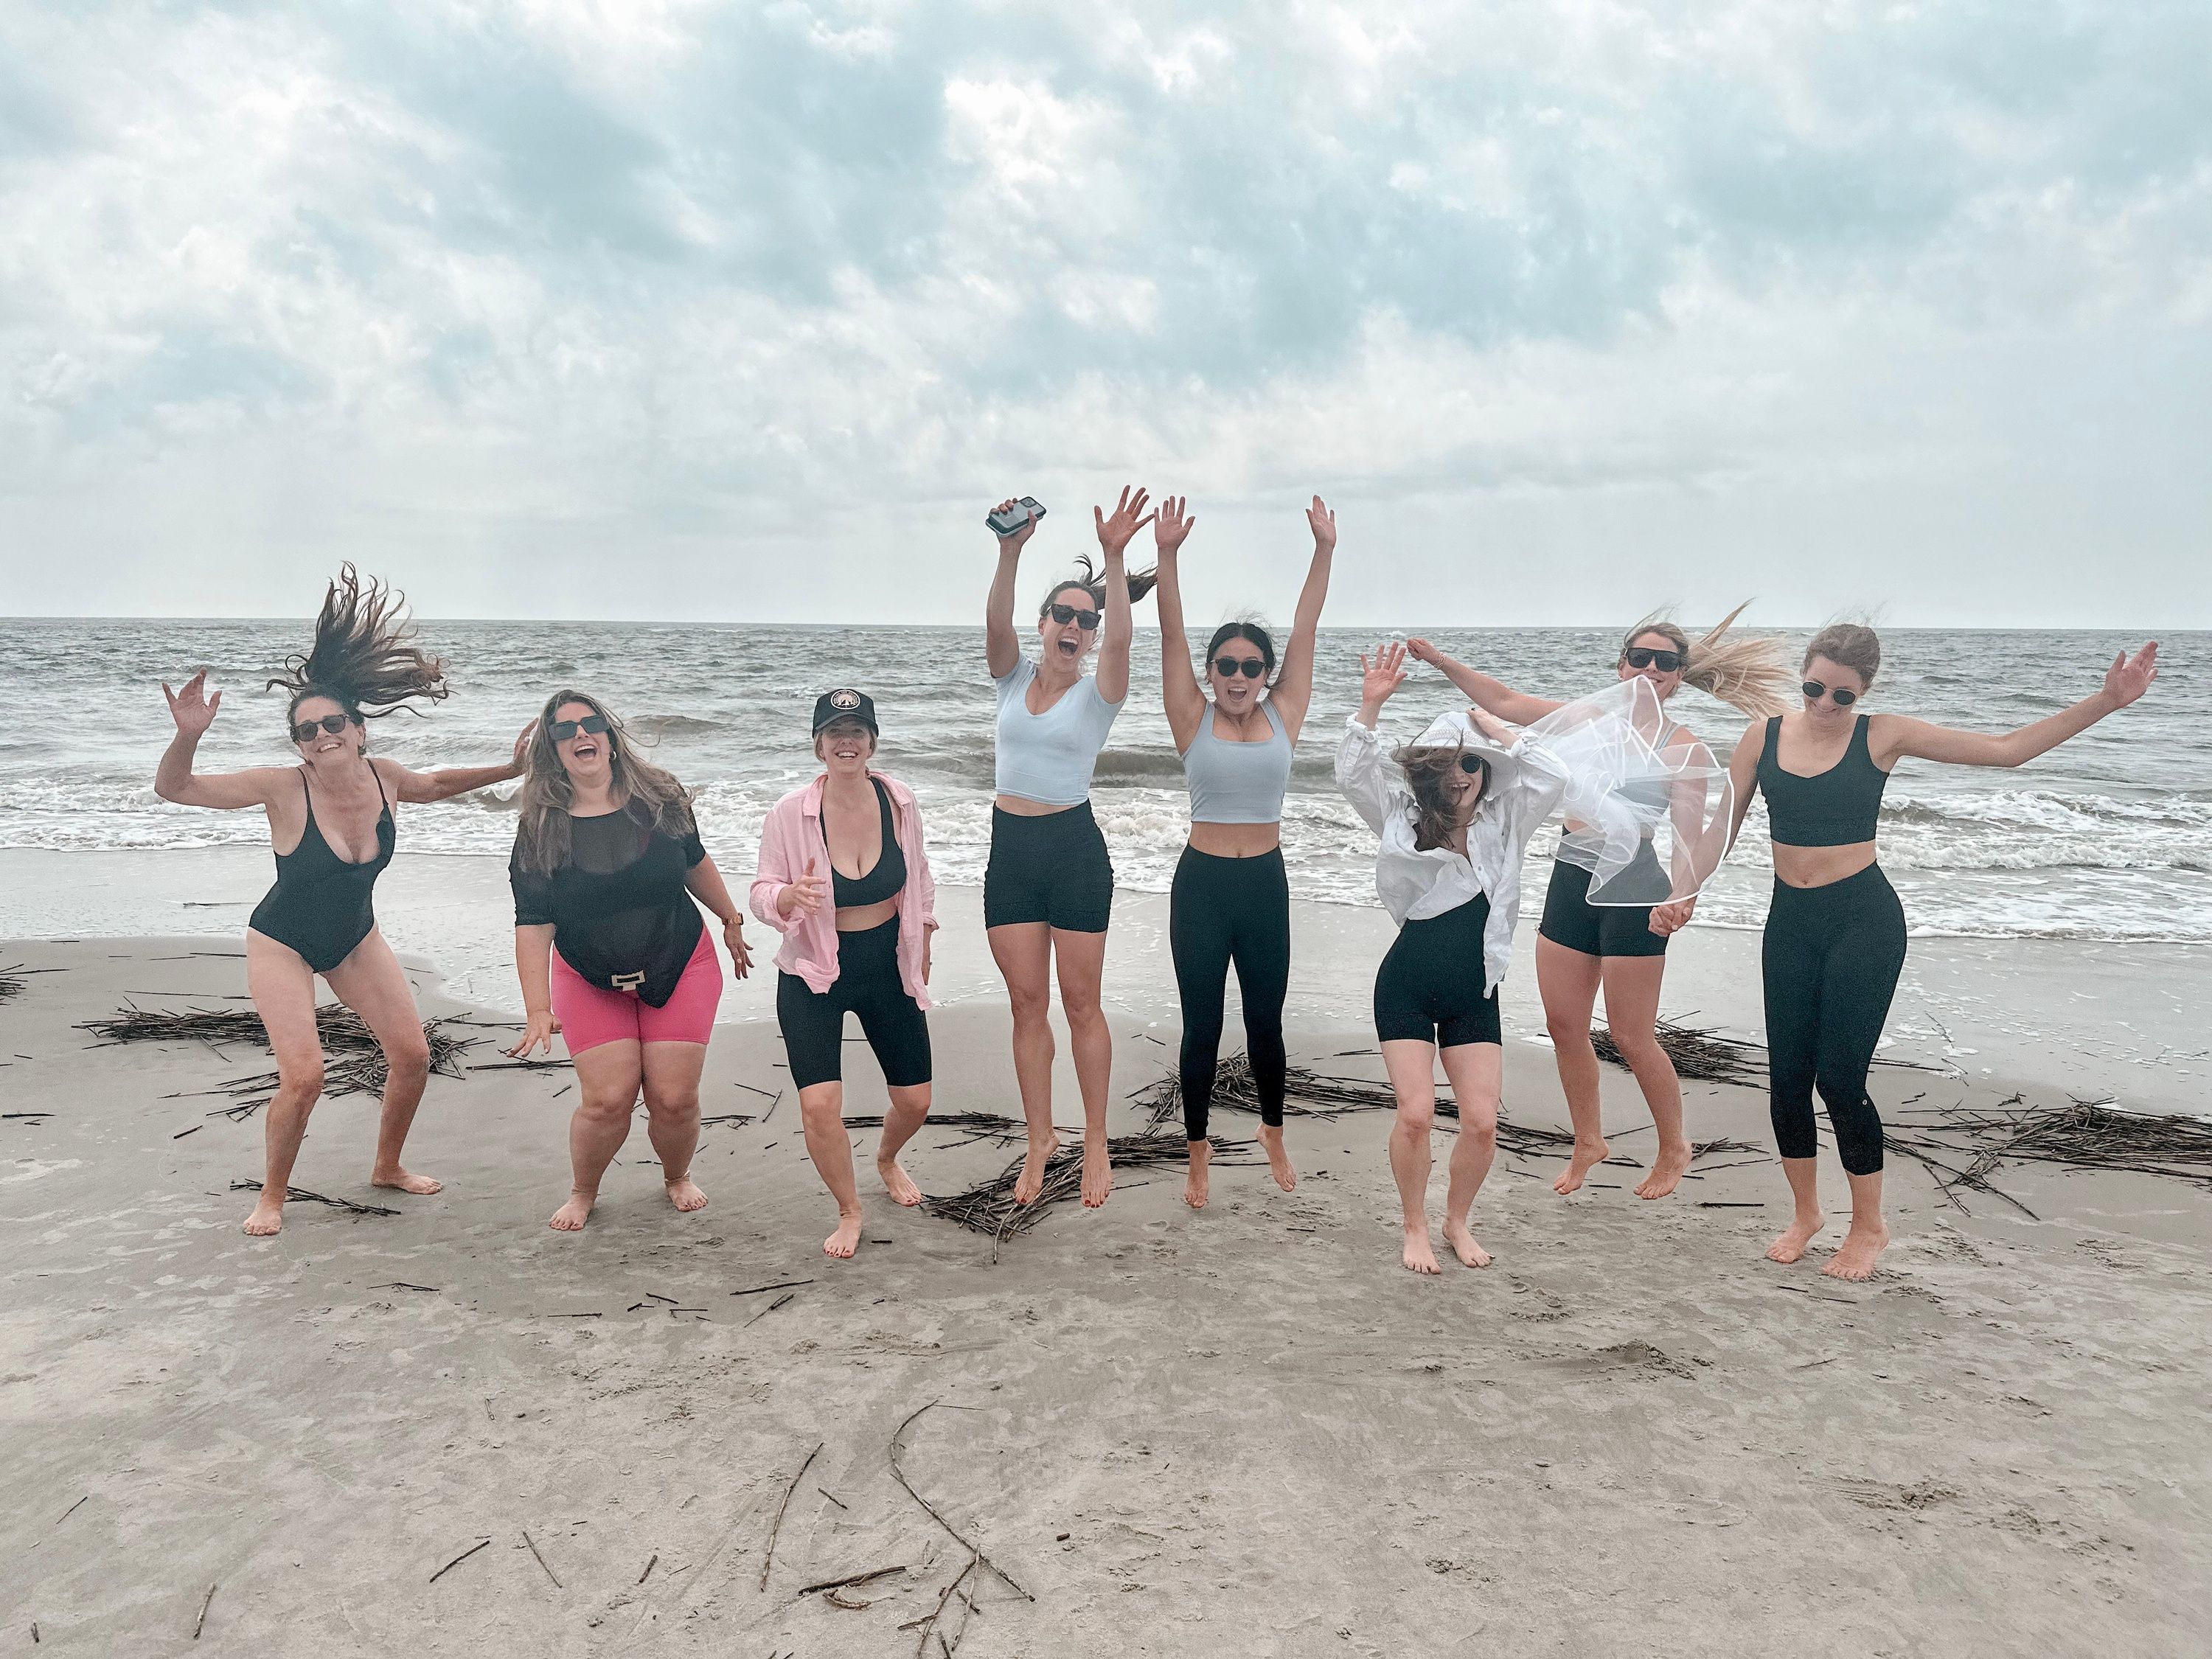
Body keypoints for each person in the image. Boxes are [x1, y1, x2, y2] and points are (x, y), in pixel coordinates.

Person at [1714, 625, 2159, 1280]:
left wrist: (2106, 702)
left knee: (1839, 1079)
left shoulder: (1883, 734)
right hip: (1789, 921)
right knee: (1786, 1081)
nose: (1826, 704)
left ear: (1864, 690)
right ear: (1801, 676)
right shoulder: (1763, 736)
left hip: (1862, 920)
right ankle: (1807, 1214)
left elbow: (2007, 752)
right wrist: (1683, 891)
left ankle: (1869, 1226)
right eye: (1814, 688)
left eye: (1843, 694)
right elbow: (1718, 824)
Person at [154, 566, 527, 1237]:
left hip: (356, 939)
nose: (322, 736)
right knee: (305, 1077)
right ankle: (272, 1196)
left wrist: (511, 768)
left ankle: (387, 1166)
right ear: (297, 744)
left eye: (333, 724)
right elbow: (176, 791)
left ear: (359, 730)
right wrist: (188, 735)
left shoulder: (386, 779)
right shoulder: (280, 786)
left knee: (412, 1056)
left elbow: (438, 784)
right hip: (283, 943)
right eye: (307, 731)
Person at [1407, 613, 1792, 1199]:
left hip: (1636, 889)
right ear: (1621, 666)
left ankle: (1674, 1146)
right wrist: (1440, 662)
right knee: (1565, 1025)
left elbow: (1689, 836)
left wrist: (1681, 897)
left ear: (1679, 675)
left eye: (1664, 661)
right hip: (1570, 878)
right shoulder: (1587, 721)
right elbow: (1505, 701)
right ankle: (1589, 1139)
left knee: (1632, 1035)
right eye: (1640, 657)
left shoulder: (1683, 747)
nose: (1650, 669)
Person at [1336, 642, 1570, 1275]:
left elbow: (1554, 777)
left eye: (1473, 763)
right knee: (1414, 1116)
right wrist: (1372, 705)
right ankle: (1414, 1225)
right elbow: (1353, 772)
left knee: (1482, 1123)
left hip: (1476, 990)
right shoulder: (1401, 818)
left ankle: (1456, 1220)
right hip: (1407, 985)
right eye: (1448, 763)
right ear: (1429, 773)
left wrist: (1498, 730)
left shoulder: (1507, 820)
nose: (1462, 774)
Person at [505, 691, 753, 1231]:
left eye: (590, 723)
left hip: (680, 961)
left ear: (611, 736)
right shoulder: (541, 826)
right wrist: (536, 1007)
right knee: (607, 1100)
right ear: (552, 748)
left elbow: (694, 862)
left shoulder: (661, 797)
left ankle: (676, 1176)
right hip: (589, 976)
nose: (580, 735)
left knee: (674, 1098)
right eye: (564, 730)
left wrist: (731, 919)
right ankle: (583, 1190)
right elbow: (533, 922)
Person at [1152, 494, 1336, 1208]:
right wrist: (1167, 557)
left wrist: (1324, 550)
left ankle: (1272, 1130)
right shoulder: (1190, 715)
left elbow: (1306, 626)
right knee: (1202, 1025)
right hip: (1200, 886)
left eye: (1251, 666)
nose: (1238, 675)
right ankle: (1197, 1154)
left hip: (1265, 883)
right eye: (1226, 664)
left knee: (1266, 1021)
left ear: (1265, 674)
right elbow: (1169, 635)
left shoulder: (1284, 714)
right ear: (1210, 671)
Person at [982, 487, 1159, 1209]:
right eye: (1063, 614)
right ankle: (1040, 1140)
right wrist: (1009, 550)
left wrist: (1114, 561)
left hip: (1073, 850)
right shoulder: (1010, 677)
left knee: (1081, 1004)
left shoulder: (1100, 694)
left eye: (1085, 621)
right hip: (1009, 852)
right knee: (1027, 1004)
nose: (1075, 627)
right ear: (1044, 622)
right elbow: (994, 619)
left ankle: (1094, 1141)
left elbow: (1121, 640)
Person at [752, 689, 939, 1259]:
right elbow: (761, 892)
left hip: (887, 964)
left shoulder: (900, 800)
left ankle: (886, 1158)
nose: (846, 741)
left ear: (873, 742)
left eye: (857, 731)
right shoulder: (790, 813)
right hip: (814, 973)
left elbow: (921, 878)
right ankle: (849, 1209)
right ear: (818, 745)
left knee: (915, 1101)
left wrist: (925, 938)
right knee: (819, 1104)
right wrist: (786, 896)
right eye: (835, 732)